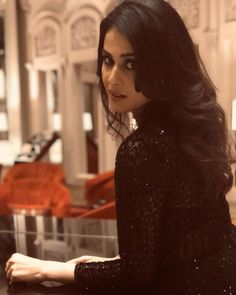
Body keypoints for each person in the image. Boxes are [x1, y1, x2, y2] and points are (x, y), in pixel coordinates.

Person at [5, 0, 236, 294]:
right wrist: (107, 264)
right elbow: (186, 237)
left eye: (131, 63)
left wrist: (53, 268)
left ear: (162, 66)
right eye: (107, 60)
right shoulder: (194, 126)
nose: (113, 78)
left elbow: (135, 277)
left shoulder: (143, 151)